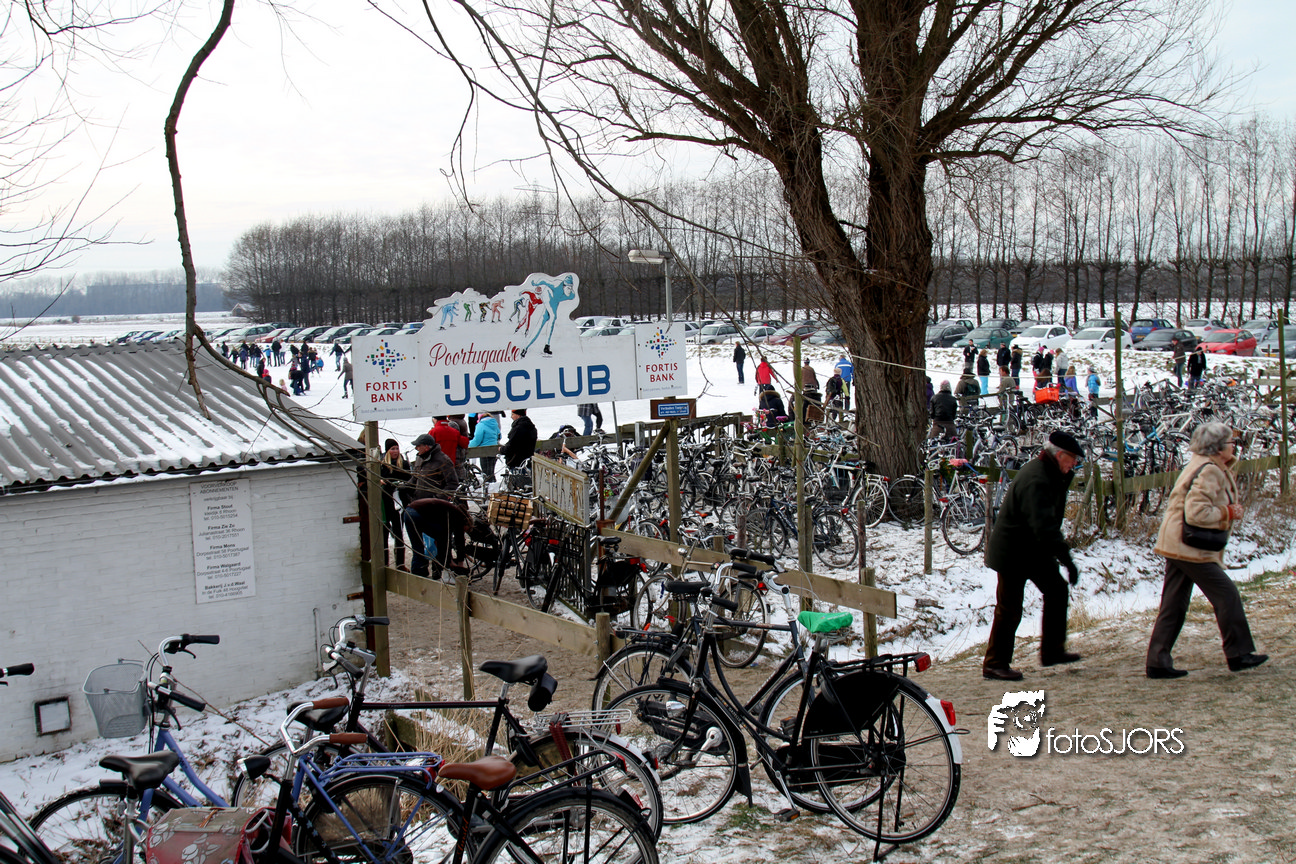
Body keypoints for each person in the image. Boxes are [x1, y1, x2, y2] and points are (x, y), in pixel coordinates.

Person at [1145, 421, 1267, 678]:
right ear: (1218, 447)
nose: (1234, 446)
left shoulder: (1200, 463)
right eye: (1230, 442)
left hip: (1175, 543)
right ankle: (1238, 654)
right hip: (1189, 547)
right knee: (1227, 595)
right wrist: (1227, 512)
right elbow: (1197, 513)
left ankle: (1158, 661)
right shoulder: (1210, 470)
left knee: (1174, 604)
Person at [982, 430, 1085, 681]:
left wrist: (1064, 561)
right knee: (1009, 608)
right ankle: (994, 664)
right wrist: (1067, 561)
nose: (1074, 464)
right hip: (1013, 551)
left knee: (1057, 590)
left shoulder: (1049, 472)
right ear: (1059, 455)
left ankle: (1052, 651)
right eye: (1072, 459)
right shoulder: (1037, 479)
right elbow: (1045, 527)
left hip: (1032, 549)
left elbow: (1045, 527)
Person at [403, 496, 472, 579]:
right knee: (442, 539)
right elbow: (458, 540)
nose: (463, 532)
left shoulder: (452, 512)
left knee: (418, 547)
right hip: (417, 513)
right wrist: (455, 563)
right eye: (465, 530)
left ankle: (418, 574)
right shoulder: (457, 517)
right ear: (465, 523)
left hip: (408, 512)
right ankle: (441, 570)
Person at [379, 439, 412, 570]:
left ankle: (400, 564)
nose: (395, 451)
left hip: (399, 502)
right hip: (386, 502)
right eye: (392, 449)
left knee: (399, 532)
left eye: (396, 448)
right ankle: (384, 563)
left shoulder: (403, 464)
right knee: (384, 532)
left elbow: (409, 480)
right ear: (388, 451)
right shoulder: (382, 465)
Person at [410, 433, 459, 500]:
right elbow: (415, 478)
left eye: (418, 446)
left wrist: (437, 498)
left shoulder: (443, 461)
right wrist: (404, 487)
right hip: (418, 500)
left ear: (426, 447)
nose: (416, 448)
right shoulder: (420, 458)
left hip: (434, 503)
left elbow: (452, 484)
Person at [469, 410, 501, 484]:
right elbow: (499, 436)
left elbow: (477, 440)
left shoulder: (481, 425)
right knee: (491, 471)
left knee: (486, 472)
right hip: (494, 450)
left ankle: (489, 487)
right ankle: (494, 485)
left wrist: (469, 445)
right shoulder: (494, 424)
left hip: (484, 451)